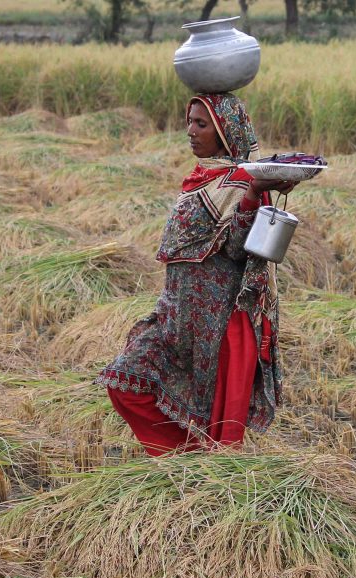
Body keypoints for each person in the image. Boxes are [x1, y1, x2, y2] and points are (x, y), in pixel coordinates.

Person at [94, 93, 296, 457]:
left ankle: (202, 480)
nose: (190, 131)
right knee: (125, 382)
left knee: (220, 432)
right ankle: (183, 458)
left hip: (217, 324)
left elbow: (239, 250)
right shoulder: (203, 178)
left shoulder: (242, 182)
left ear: (224, 131)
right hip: (176, 316)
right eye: (189, 121)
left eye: (201, 124)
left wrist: (252, 194)